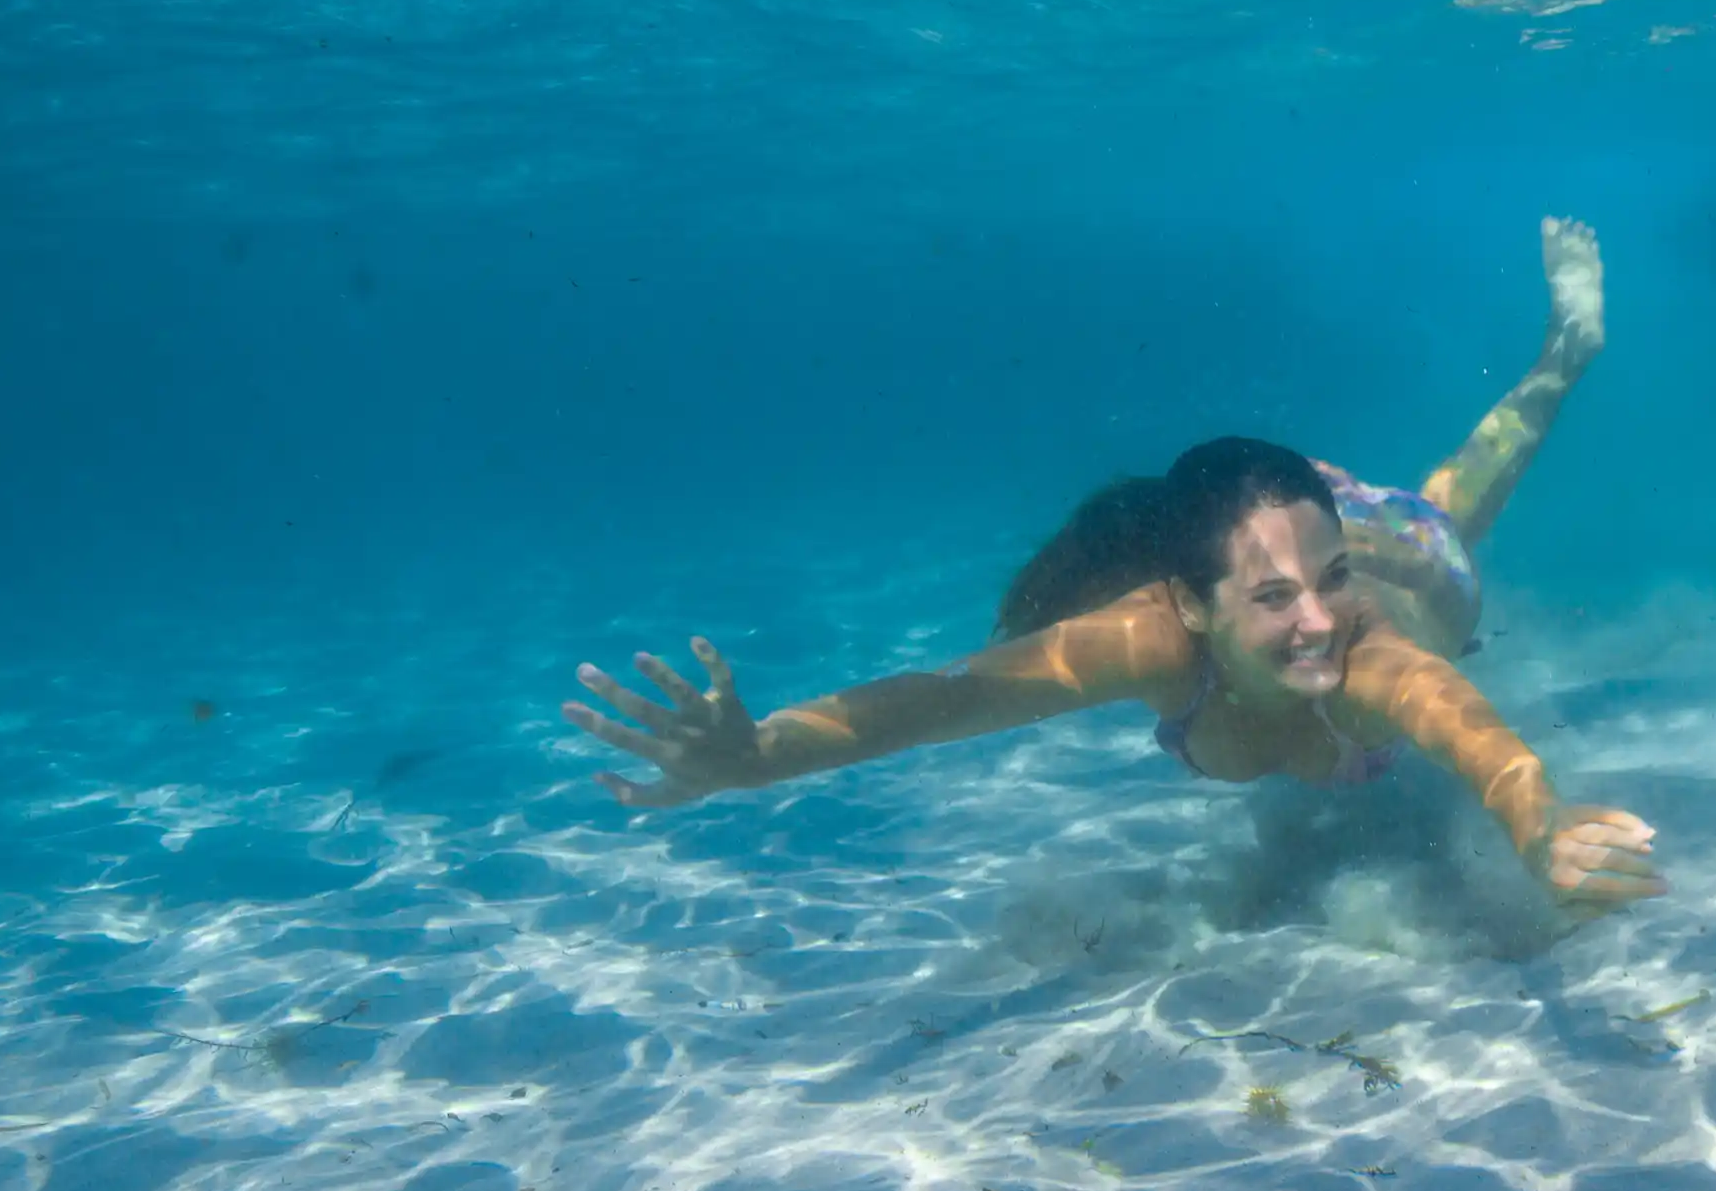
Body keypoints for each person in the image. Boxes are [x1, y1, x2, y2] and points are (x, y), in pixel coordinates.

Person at [565, 218, 1659, 917]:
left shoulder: (1371, 646)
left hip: (1409, 558)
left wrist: (1539, 823)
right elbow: (946, 699)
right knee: (1398, 504)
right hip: (1269, 533)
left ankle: (1569, 347)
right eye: (1276, 598)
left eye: (1322, 585)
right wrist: (756, 754)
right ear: (1191, 603)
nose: (1323, 621)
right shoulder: (1151, 639)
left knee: (1456, 503)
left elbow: (1474, 736)